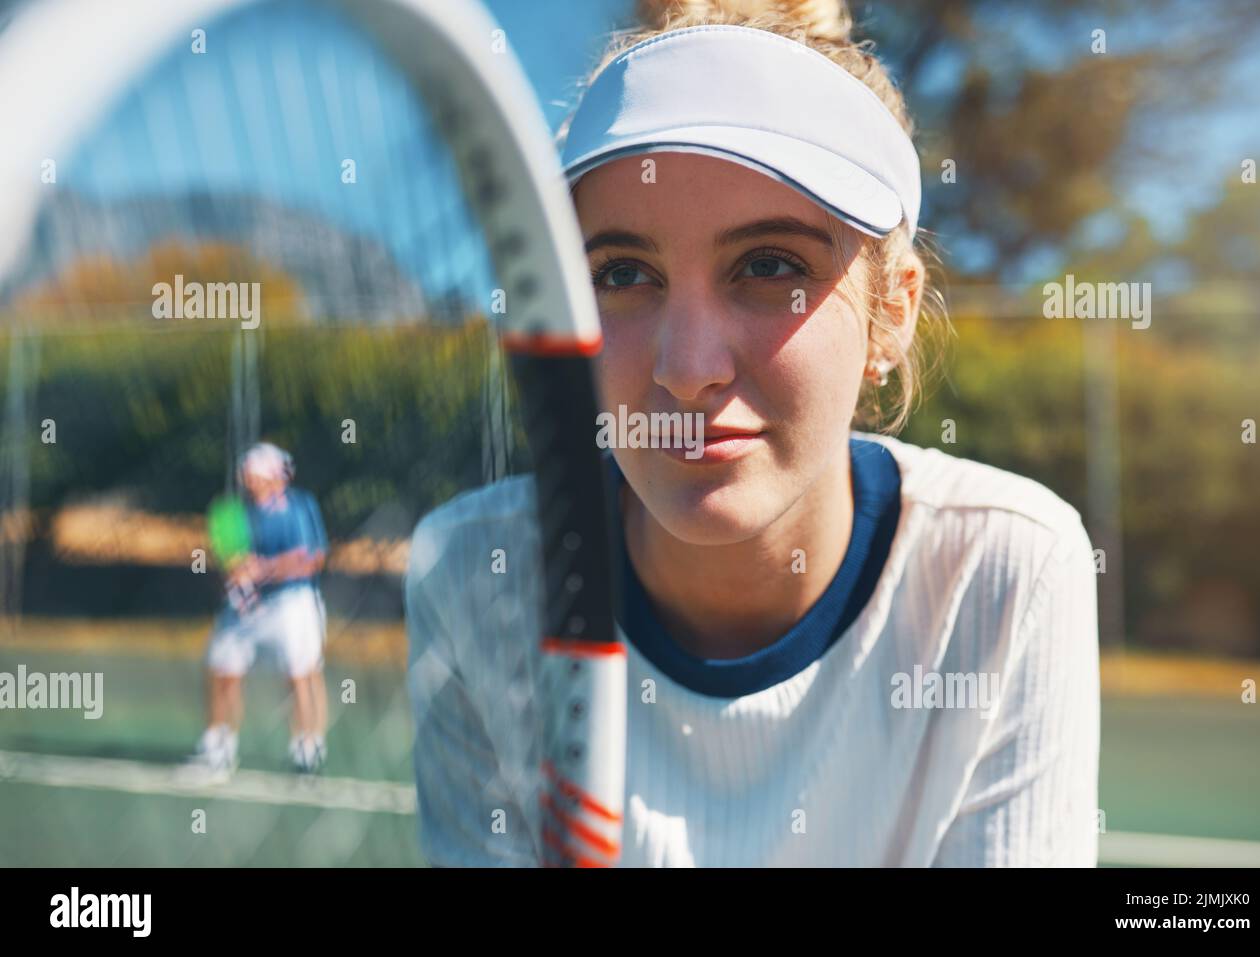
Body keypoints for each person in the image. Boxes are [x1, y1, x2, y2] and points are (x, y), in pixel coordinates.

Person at [406, 0, 1099, 866]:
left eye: (771, 266)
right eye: (622, 273)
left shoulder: (1007, 570)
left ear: (893, 311)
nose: (687, 366)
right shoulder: (473, 575)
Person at [193, 442, 331, 775]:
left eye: (254, 474)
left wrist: (265, 568)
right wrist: (236, 573)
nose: (248, 480)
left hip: (292, 602)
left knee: (301, 674)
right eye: (247, 474)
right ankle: (218, 744)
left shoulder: (299, 507)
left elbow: (312, 558)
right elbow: (230, 563)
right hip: (246, 606)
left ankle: (307, 746)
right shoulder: (235, 512)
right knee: (223, 669)